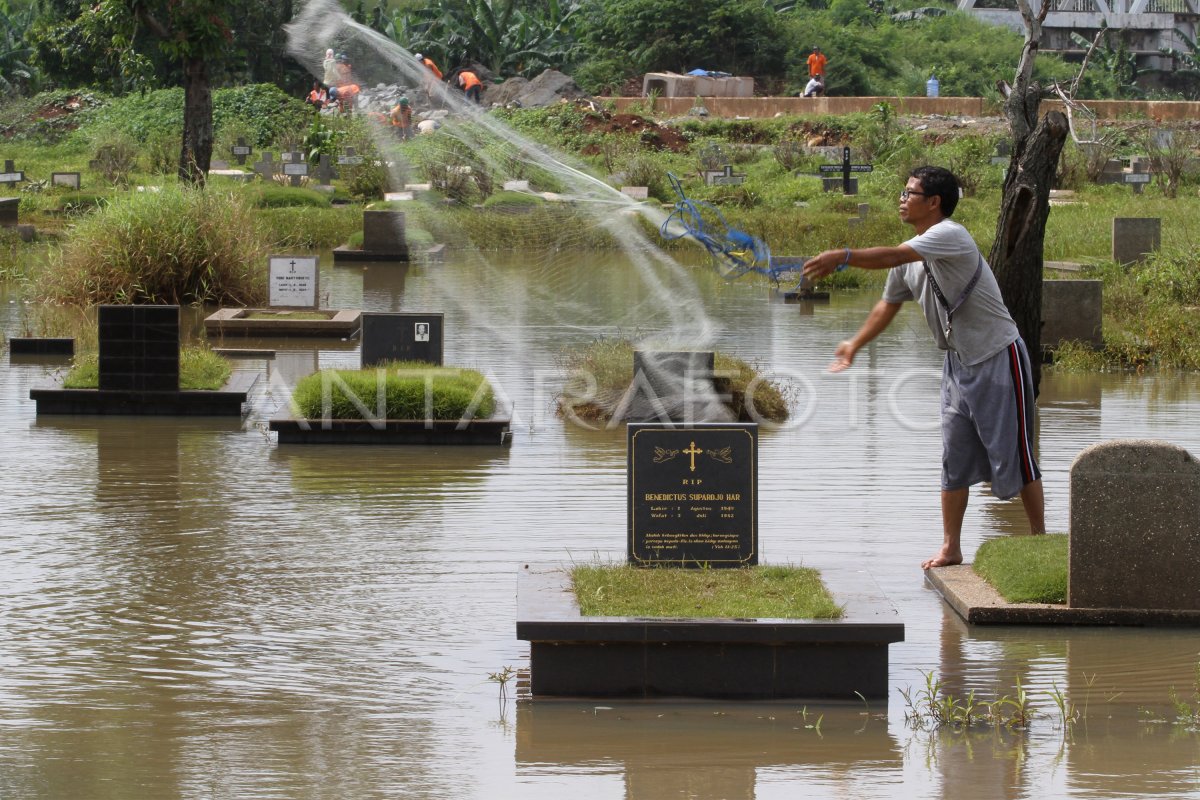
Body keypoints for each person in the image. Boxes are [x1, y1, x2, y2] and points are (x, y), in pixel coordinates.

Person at [801, 166, 1045, 570]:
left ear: (934, 202)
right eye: (904, 191)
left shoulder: (951, 235)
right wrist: (854, 344)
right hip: (957, 363)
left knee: (1017, 452)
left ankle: (1040, 540)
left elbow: (895, 255)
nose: (902, 198)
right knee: (955, 456)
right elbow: (888, 303)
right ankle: (951, 547)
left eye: (910, 192)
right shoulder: (911, 253)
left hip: (998, 356)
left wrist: (844, 256)